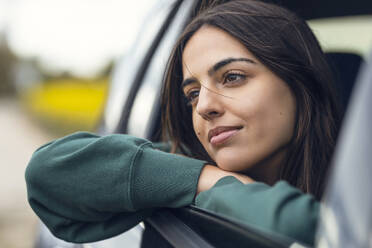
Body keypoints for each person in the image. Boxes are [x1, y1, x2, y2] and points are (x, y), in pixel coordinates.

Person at [25, 0, 340, 246]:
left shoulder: (357, 188)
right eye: (192, 93)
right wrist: (209, 181)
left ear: (302, 86)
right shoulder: (183, 164)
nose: (203, 107)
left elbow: (321, 232)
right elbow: (46, 171)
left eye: (232, 77)